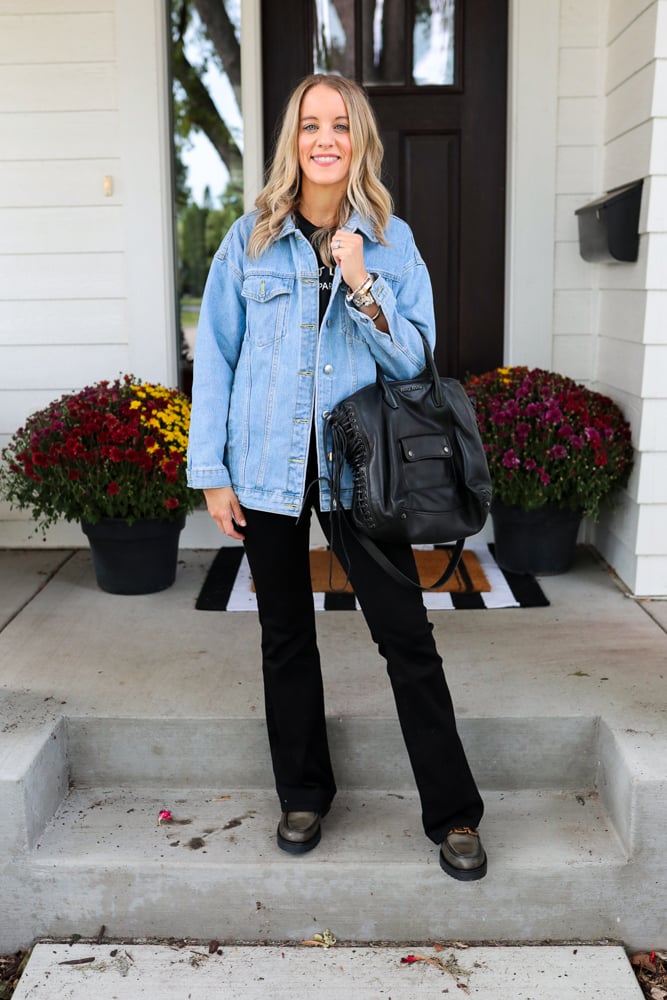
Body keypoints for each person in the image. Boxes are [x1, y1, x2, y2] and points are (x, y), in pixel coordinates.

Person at [187, 74, 486, 881]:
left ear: (360, 141)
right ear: (294, 139)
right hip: (267, 471)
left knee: (406, 637)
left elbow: (416, 360)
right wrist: (212, 471)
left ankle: (453, 814)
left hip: (366, 474)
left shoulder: (391, 240)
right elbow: (214, 355)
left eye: (340, 126)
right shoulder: (249, 237)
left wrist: (361, 280)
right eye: (311, 124)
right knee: (284, 636)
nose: (325, 139)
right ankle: (304, 794)